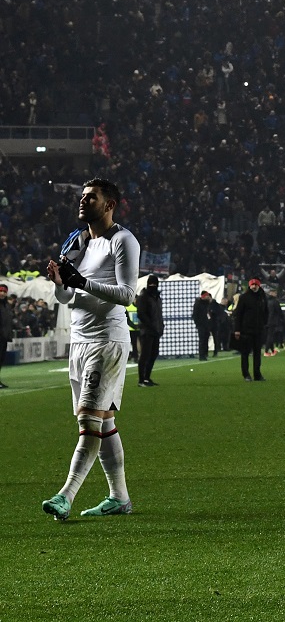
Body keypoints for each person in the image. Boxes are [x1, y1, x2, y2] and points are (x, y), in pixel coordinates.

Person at [41, 178, 141, 520]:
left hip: (107, 340)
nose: (83, 201)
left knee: (88, 419)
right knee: (103, 420)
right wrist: (61, 284)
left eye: (91, 197)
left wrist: (82, 282)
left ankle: (65, 495)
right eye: (82, 196)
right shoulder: (77, 241)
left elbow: (128, 295)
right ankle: (119, 497)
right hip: (80, 341)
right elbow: (69, 298)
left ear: (109, 204)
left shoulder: (123, 241)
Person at [233, 278, 270, 381]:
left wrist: (265, 324)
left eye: (255, 285)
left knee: (257, 353)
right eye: (252, 285)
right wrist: (237, 330)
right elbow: (238, 315)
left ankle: (257, 374)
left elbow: (266, 312)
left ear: (259, 285)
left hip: (258, 330)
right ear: (250, 286)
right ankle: (246, 375)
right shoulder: (244, 298)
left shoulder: (263, 297)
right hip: (246, 330)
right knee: (245, 353)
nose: (254, 286)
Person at [135, 275, 164, 387]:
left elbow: (158, 315)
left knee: (153, 354)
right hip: (146, 330)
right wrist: (151, 326)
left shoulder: (156, 297)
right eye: (152, 284)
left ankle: (147, 378)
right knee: (145, 355)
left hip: (155, 330)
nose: (153, 286)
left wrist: (160, 327)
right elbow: (141, 314)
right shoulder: (144, 297)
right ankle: (141, 380)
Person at [193, 290, 214, 361]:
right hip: (201, 325)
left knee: (206, 339)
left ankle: (205, 353)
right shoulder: (198, 303)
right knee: (202, 340)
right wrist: (197, 324)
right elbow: (195, 315)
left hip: (207, 324)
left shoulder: (207, 304)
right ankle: (201, 355)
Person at [0, 284, 12, 388]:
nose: (2, 293)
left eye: (4, 291)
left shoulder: (6, 305)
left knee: (1, 359)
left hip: (4, 337)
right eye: (1, 291)